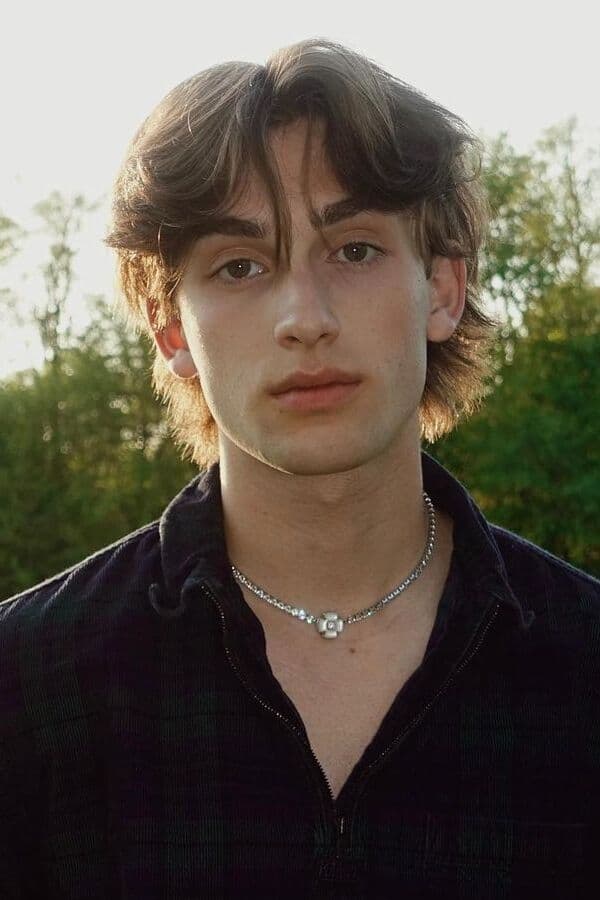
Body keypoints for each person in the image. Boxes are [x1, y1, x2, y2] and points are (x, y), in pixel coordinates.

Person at [1, 38, 598, 900]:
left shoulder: (584, 666)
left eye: (354, 250)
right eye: (240, 265)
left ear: (442, 288)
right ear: (171, 330)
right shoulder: (27, 685)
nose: (304, 318)